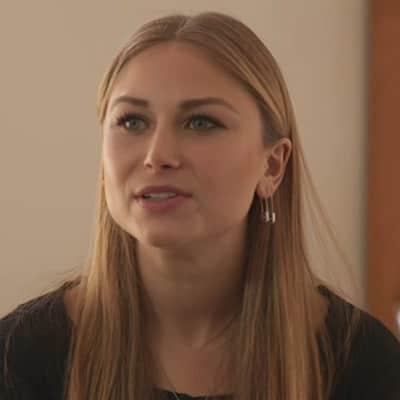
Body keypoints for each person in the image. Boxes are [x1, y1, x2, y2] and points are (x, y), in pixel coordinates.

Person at [1, 11, 399, 400]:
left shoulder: (364, 364)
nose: (157, 155)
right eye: (132, 121)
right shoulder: (19, 356)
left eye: (201, 123)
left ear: (273, 166)